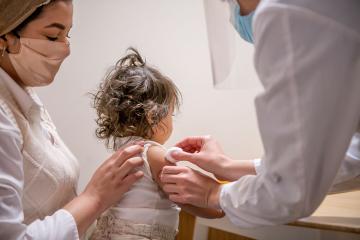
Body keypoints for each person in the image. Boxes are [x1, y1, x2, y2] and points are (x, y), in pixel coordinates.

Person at [161, 0, 360, 227]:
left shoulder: (288, 13)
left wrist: (213, 193)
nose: (232, 11)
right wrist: (226, 166)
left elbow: (290, 192)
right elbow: (351, 158)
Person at [0, 1, 145, 239]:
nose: (66, 49)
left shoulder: (24, 94)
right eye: (53, 36)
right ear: (5, 36)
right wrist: (94, 198)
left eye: (67, 35)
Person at [90, 48, 224, 240]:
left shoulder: (121, 152)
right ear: (154, 117)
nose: (171, 122)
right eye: (171, 114)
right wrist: (219, 207)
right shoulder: (154, 154)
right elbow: (185, 197)